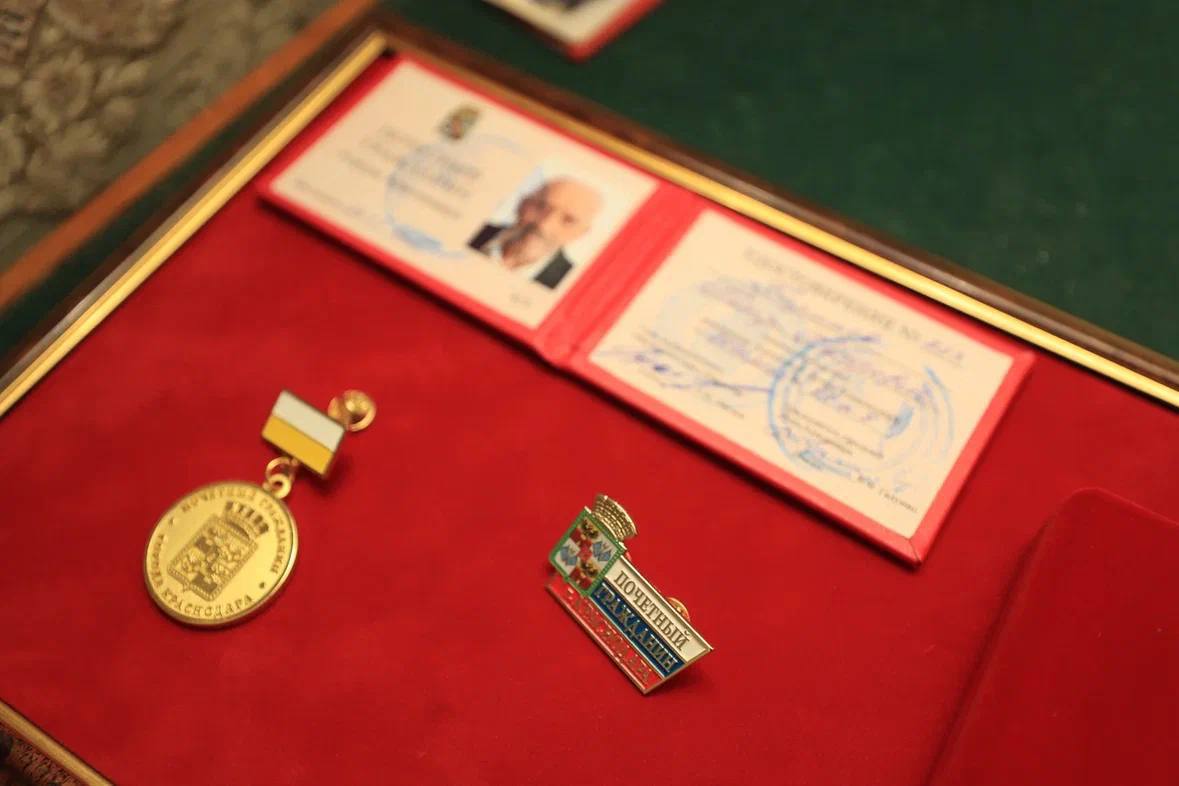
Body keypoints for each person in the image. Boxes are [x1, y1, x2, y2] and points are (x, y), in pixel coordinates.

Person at [468, 177, 602, 289]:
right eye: (541, 207)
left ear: (581, 234)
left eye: (568, 220)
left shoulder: (570, 284)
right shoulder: (470, 228)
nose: (544, 225)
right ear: (522, 204)